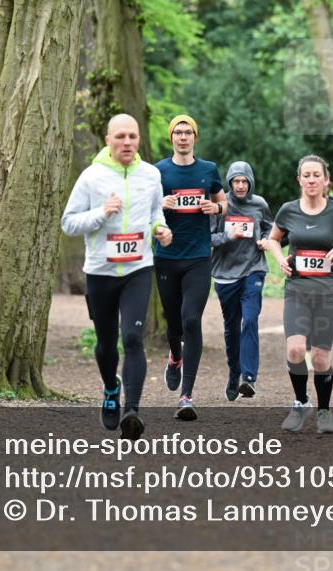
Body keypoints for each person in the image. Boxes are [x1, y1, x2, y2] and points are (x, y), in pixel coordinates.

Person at [61, 114, 172, 440]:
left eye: (132, 136)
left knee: (134, 338)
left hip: (138, 269)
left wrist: (160, 228)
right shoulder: (91, 177)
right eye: (120, 136)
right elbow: (68, 223)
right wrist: (102, 213)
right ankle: (111, 387)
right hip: (101, 273)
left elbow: (155, 212)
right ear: (108, 140)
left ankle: (131, 411)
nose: (127, 142)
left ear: (139, 140)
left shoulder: (151, 175)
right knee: (106, 344)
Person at [265, 155, 333, 433]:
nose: (311, 180)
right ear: (299, 180)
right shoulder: (288, 210)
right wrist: (280, 259)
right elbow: (273, 240)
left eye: (316, 175)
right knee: (296, 349)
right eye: (306, 175)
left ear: (326, 180)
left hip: (328, 292)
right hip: (297, 290)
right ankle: (301, 402)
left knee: (321, 358)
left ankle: (324, 411)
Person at [155, 114, 227, 421]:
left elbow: (224, 202)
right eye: (178, 132)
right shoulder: (159, 171)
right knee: (174, 325)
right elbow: (146, 207)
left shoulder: (208, 169)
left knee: (191, 320)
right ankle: (175, 356)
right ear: (171, 137)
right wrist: (161, 205)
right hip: (167, 257)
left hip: (198, 257)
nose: (183, 137)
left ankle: (186, 396)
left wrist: (216, 207)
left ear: (195, 137)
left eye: (188, 132)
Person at [210, 161, 273, 400]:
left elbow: (271, 229)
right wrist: (227, 235)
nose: (240, 185)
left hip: (253, 269)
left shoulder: (260, 204)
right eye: (236, 181)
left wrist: (266, 239)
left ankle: (248, 377)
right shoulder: (220, 205)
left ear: (250, 182)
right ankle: (234, 373)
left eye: (244, 181)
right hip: (225, 274)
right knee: (232, 328)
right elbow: (206, 237)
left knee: (250, 319)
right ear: (229, 182)